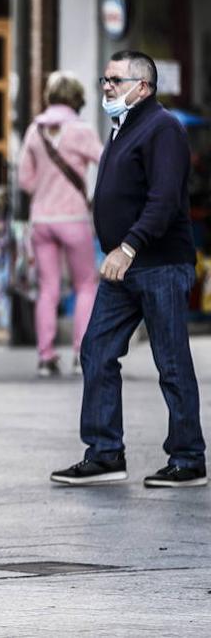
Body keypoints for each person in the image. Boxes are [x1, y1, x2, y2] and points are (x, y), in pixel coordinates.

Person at [52, 50, 206, 488]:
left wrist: (128, 247)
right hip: (123, 267)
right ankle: (104, 454)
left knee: (171, 362)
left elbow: (164, 200)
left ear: (144, 87)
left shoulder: (163, 128)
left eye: (116, 81)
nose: (106, 87)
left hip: (156, 265)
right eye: (104, 79)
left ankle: (188, 458)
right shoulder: (124, 128)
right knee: (96, 351)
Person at [18, 71, 102, 378]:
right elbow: (106, 164)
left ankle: (45, 356)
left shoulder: (34, 131)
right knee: (85, 285)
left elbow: (25, 180)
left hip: (41, 220)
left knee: (48, 288)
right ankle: (81, 353)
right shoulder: (81, 130)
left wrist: (45, 188)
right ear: (77, 98)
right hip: (74, 219)